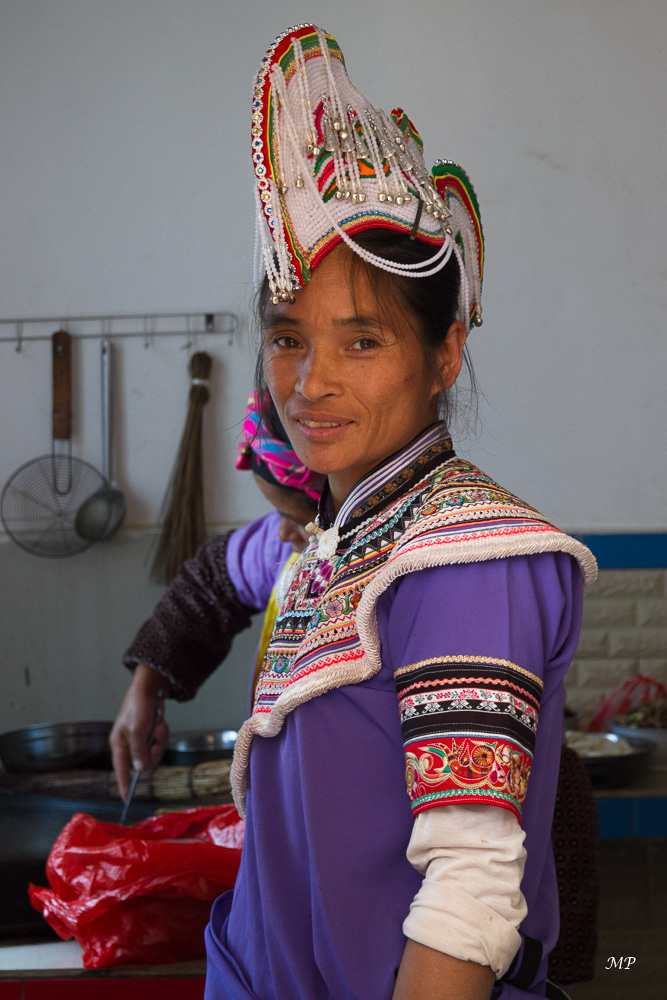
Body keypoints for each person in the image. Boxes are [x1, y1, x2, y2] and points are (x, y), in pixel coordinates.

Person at [202, 24, 597, 1000]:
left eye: (362, 340)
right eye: (287, 338)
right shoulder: (332, 539)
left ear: (444, 354)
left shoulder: (465, 559)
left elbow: (468, 900)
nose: (311, 382)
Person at [110, 396, 318, 799]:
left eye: (295, 519)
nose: (280, 534)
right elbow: (210, 582)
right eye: (277, 514)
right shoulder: (285, 551)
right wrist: (146, 683)